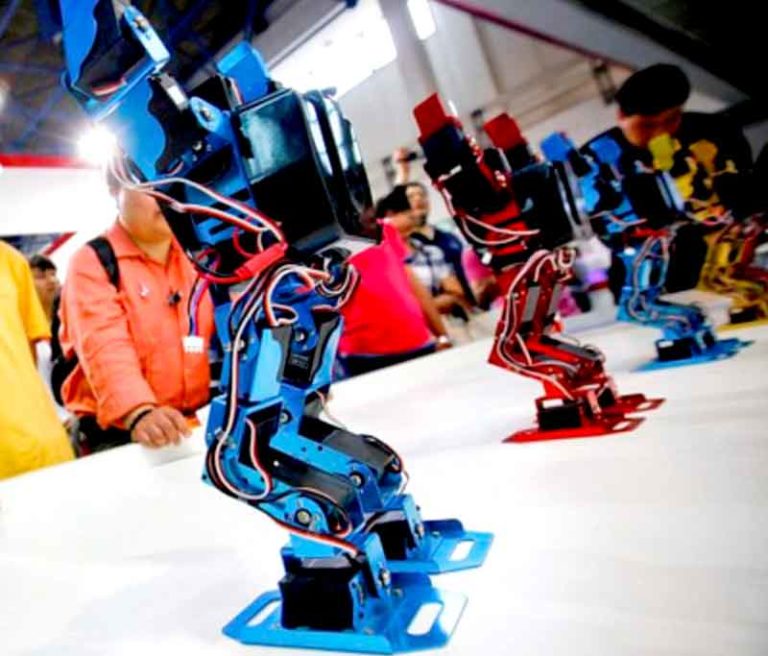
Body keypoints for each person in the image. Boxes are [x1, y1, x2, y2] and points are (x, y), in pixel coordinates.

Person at [58, 170, 214, 452]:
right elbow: (104, 344)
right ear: (115, 190)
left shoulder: (196, 259)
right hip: (124, 432)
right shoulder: (93, 261)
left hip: (190, 425)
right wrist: (139, 410)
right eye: (148, 185)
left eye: (173, 186)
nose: (166, 197)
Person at [582, 63, 754, 294]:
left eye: (672, 119)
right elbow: (596, 224)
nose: (660, 133)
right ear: (622, 116)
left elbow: (744, 186)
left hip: (723, 258)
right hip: (644, 272)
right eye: (648, 125)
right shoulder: (595, 160)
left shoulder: (717, 132)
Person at [337, 190, 452, 378]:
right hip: (366, 353)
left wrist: (442, 335)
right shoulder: (320, 246)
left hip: (419, 340)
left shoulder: (384, 230)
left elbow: (413, 285)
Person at [0, 240, 74, 479]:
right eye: (42, 276)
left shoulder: (10, 261)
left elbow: (29, 357)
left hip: (36, 449)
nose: (51, 281)